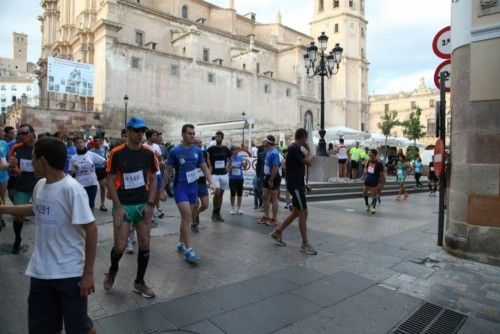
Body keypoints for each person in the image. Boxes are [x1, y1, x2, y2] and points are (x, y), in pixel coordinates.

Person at [0, 137, 98, 334]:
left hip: (70, 274)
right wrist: (3, 209)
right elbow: (35, 209)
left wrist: (88, 274)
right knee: (41, 328)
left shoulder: (72, 190)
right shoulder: (40, 185)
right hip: (41, 272)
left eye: (34, 157)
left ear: (42, 161)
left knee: (77, 328)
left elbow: (92, 229)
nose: (31, 162)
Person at [103, 117, 158, 298]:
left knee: (144, 243)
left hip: (142, 204)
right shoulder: (117, 153)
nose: (140, 134)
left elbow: (153, 178)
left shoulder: (149, 153)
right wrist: (118, 207)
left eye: (142, 130)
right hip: (124, 206)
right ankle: (112, 270)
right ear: (127, 132)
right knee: (120, 246)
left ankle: (139, 282)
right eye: (136, 130)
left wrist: (150, 205)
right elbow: (110, 180)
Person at [161, 124, 213, 263]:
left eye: (193, 133)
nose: (192, 136)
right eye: (189, 133)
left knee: (186, 219)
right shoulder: (175, 151)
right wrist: (161, 190)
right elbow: (167, 171)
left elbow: (204, 168)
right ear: (183, 134)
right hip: (180, 188)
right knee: (187, 217)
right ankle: (189, 250)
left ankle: (180, 244)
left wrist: (211, 182)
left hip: (193, 189)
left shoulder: (198, 151)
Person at [270, 128, 317, 254]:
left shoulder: (294, 149)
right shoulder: (294, 148)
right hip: (295, 186)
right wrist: (311, 152)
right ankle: (305, 244)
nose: (306, 140)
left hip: (296, 184)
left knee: (296, 212)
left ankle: (278, 232)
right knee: (303, 213)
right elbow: (309, 162)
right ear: (302, 137)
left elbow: (286, 164)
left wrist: (301, 183)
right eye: (306, 138)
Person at [8, 124, 39, 254]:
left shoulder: (41, 147)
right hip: (23, 186)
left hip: (40, 186)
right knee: (18, 216)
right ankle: (17, 239)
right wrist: (13, 167)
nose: (20, 136)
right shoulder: (16, 147)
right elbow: (12, 166)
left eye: (24, 133)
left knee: (45, 216)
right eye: (19, 134)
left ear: (32, 133)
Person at [69, 137, 106, 213]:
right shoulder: (73, 158)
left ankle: (91, 221)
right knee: (81, 205)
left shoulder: (91, 154)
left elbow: (105, 161)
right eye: (77, 143)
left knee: (91, 204)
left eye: (81, 142)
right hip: (79, 185)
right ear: (75, 145)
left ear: (84, 143)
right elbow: (70, 173)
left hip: (92, 184)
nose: (80, 144)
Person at [207, 131, 230, 222]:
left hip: (224, 174)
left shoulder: (225, 149)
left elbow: (230, 158)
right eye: (216, 137)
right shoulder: (211, 149)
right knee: (217, 193)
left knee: (221, 194)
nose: (217, 138)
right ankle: (214, 212)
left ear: (222, 138)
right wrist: (209, 165)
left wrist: (228, 166)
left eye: (219, 137)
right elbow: (206, 157)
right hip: (214, 174)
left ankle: (218, 213)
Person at [258, 135, 281, 226]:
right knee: (264, 196)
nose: (264, 143)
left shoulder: (274, 153)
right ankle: (266, 216)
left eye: (265, 141)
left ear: (268, 142)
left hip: (273, 177)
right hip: (267, 176)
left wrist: (271, 179)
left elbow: (275, 167)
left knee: (273, 198)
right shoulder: (268, 151)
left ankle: (274, 219)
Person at [144, 129, 164, 222]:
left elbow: (160, 158)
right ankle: (150, 213)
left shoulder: (156, 146)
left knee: (157, 193)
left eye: (156, 135)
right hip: (149, 174)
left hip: (158, 173)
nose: (156, 137)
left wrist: (159, 158)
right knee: (149, 194)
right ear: (149, 137)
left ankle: (155, 208)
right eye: (154, 135)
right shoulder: (144, 146)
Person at [191, 137, 211, 232]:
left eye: (201, 142)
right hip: (193, 182)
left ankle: (195, 214)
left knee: (205, 205)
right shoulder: (190, 153)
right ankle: (194, 223)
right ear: (193, 144)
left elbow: (209, 166)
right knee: (195, 204)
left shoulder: (205, 153)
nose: (200, 144)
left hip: (202, 182)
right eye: (197, 143)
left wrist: (209, 176)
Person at [362, 149, 385, 214]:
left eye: (370, 153)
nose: (369, 154)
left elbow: (382, 173)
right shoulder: (369, 161)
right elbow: (366, 168)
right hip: (368, 178)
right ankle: (367, 204)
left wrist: (382, 181)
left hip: (375, 179)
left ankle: (373, 208)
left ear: (374, 154)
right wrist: (364, 174)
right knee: (364, 192)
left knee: (373, 194)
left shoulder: (379, 162)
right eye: (369, 153)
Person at [91, 135, 109, 211]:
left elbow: (106, 161)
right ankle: (91, 204)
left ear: (101, 141)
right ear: (94, 141)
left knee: (102, 187)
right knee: (92, 188)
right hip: (93, 170)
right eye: (96, 141)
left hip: (102, 170)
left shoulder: (103, 150)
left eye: (99, 141)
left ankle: (102, 204)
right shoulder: (91, 151)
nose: (98, 142)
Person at [228, 145, 244, 215]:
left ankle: (239, 208)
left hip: (240, 178)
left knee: (240, 194)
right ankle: (232, 208)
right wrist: (232, 167)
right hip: (232, 178)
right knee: (233, 193)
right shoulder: (230, 158)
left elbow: (245, 168)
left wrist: (245, 164)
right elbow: (227, 169)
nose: (236, 151)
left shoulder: (240, 158)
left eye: (237, 150)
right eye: (235, 150)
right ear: (232, 151)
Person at [0, 127, 9, 230]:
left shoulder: (4, 144)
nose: (2, 133)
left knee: (2, 199)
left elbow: (6, 158)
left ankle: (1, 219)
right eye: (0, 131)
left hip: (3, 176)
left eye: (2, 131)